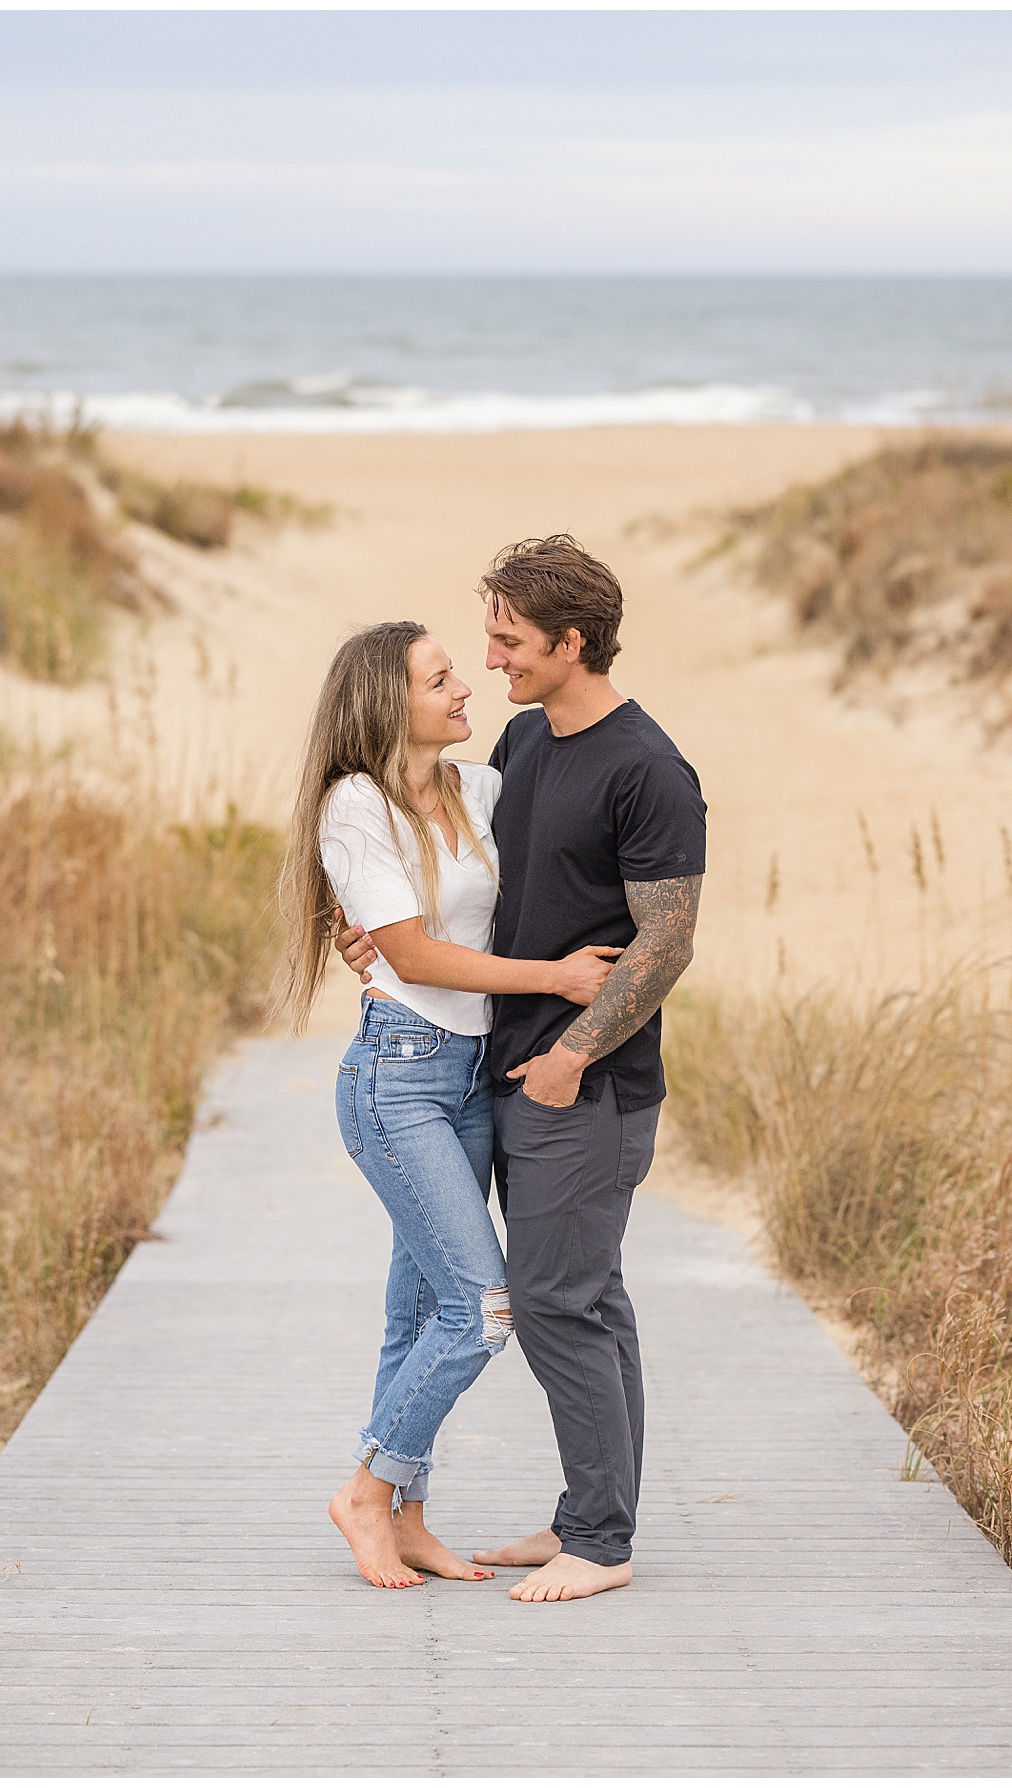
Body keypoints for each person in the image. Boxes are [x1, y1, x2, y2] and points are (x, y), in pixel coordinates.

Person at [337, 536, 707, 1602]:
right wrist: (367, 934)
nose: (492, 660)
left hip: (585, 1086)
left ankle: (601, 1544)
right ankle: (589, 1517)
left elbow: (666, 942)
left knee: (550, 1302)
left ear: (571, 640)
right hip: (498, 1070)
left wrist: (569, 1059)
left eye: (508, 640)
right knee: (587, 1298)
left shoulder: (648, 768)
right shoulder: (529, 743)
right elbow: (458, 869)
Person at [278, 618, 622, 1590]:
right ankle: (365, 1492)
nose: (465, 687)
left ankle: (410, 1517)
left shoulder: (482, 790)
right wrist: (553, 980)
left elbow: (534, 877)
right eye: (440, 679)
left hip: (472, 1076)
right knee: (482, 1308)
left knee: (420, 1306)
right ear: (392, 705)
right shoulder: (354, 806)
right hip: (400, 1079)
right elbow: (418, 955)